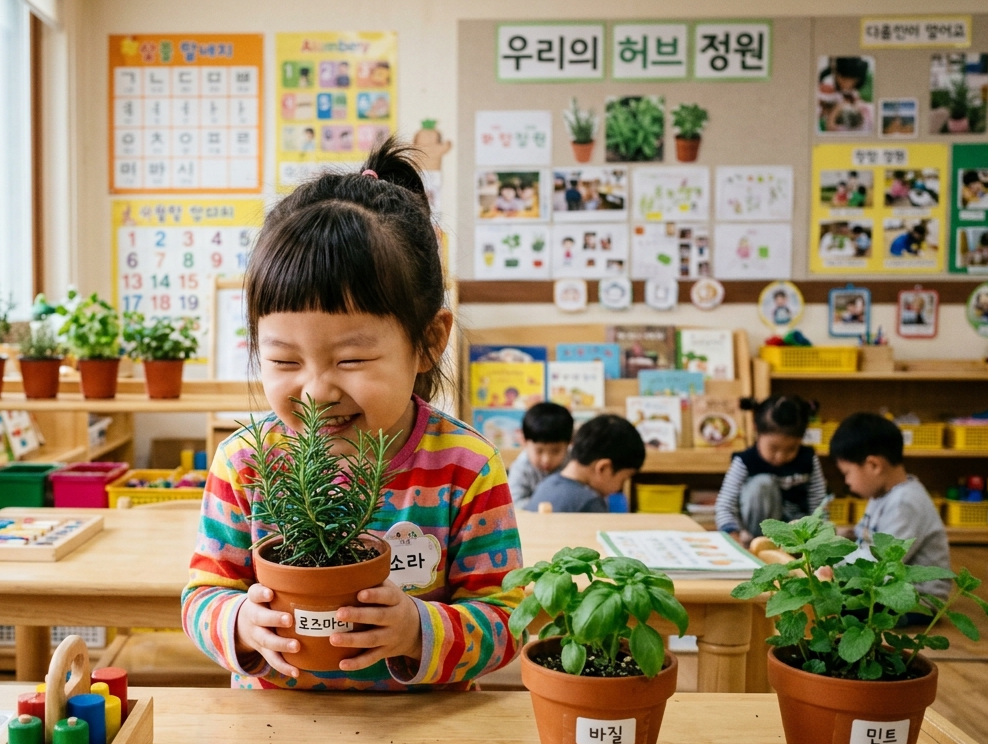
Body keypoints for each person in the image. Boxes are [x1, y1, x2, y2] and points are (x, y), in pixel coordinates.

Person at [183, 137, 523, 691]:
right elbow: (202, 594)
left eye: (351, 359)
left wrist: (419, 629)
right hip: (276, 731)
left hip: (422, 731)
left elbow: (509, 618)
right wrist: (239, 623)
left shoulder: (467, 467)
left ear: (429, 342)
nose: (316, 391)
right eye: (283, 359)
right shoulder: (245, 462)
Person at [829, 413, 951, 603]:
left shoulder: (905, 502)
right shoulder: (881, 494)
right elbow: (863, 536)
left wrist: (831, 563)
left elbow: (881, 564)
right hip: (887, 586)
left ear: (874, 465)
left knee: (830, 605)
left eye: (847, 473)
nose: (847, 482)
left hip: (917, 598)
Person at [715, 396, 827, 545]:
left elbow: (819, 503)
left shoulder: (808, 459)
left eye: (791, 449)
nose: (780, 457)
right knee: (763, 484)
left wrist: (821, 536)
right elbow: (725, 505)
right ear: (756, 429)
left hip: (794, 535)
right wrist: (733, 535)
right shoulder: (745, 461)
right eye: (773, 448)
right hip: (756, 535)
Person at [528, 415, 644, 512]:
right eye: (622, 480)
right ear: (603, 468)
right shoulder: (590, 503)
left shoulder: (547, 484)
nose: (619, 489)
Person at [507, 403, 573, 511]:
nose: (546, 459)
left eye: (555, 451)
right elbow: (515, 503)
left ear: (569, 444)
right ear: (524, 442)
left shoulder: (573, 462)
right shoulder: (521, 468)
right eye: (539, 451)